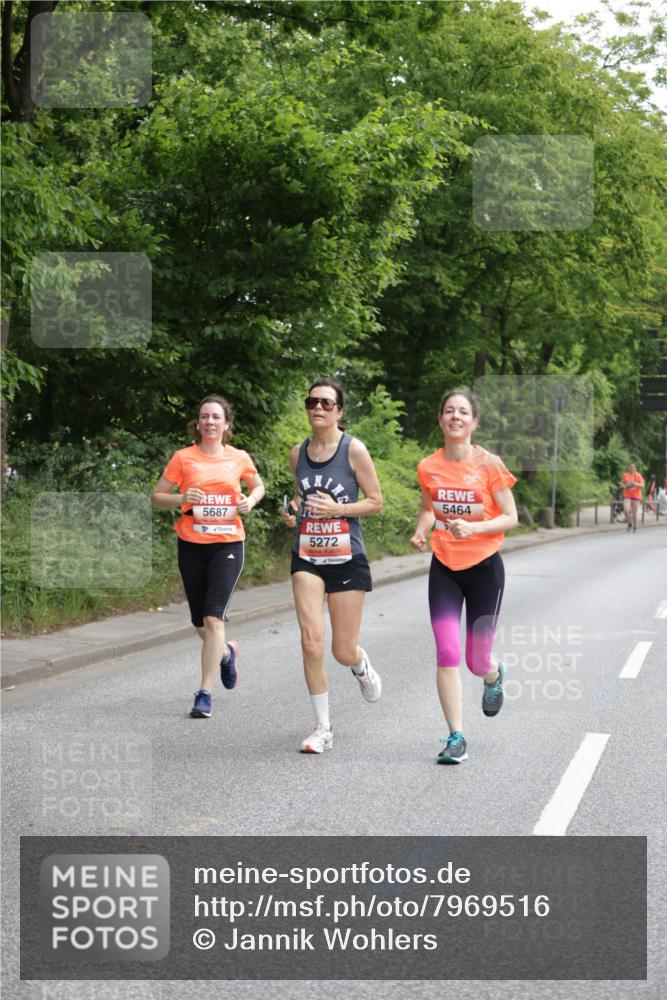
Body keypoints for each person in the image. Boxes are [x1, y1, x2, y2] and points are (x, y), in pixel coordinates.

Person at [410, 388, 518, 764]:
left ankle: (493, 673)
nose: (456, 417)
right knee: (447, 653)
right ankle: (456, 736)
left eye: (463, 412)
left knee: (475, 661)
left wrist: (476, 529)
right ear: (441, 420)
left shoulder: (489, 464)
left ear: (474, 422)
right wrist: (422, 529)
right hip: (445, 567)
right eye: (449, 411)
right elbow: (428, 507)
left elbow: (511, 517)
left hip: (485, 567)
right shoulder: (428, 466)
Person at [281, 378, 383, 753]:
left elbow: (375, 501)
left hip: (345, 557)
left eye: (326, 403)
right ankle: (322, 728)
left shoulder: (354, 450)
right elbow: (299, 495)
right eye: (312, 402)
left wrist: (338, 508)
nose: (318, 408)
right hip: (307, 554)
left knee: (342, 649)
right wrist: (291, 511)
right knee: (311, 642)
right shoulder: (298, 453)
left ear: (339, 411)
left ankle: (359, 664)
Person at [151, 394, 265, 718]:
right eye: (204, 417)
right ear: (197, 424)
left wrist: (251, 501)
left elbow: (258, 487)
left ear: (226, 424)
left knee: (215, 619)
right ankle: (227, 653)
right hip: (190, 543)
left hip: (228, 544)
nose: (210, 422)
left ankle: (204, 693)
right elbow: (157, 497)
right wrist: (182, 497)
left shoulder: (238, 457)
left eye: (216, 417)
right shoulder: (183, 458)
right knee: (201, 624)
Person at [621, 463, 644, 533]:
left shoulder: (639, 475)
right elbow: (622, 484)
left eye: (633, 467)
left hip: (636, 496)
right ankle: (629, 523)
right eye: (631, 467)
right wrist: (625, 486)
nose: (632, 468)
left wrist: (635, 483)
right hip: (627, 495)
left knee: (634, 513)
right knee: (626, 510)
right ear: (629, 468)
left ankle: (635, 526)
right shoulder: (625, 475)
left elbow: (642, 485)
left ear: (635, 468)